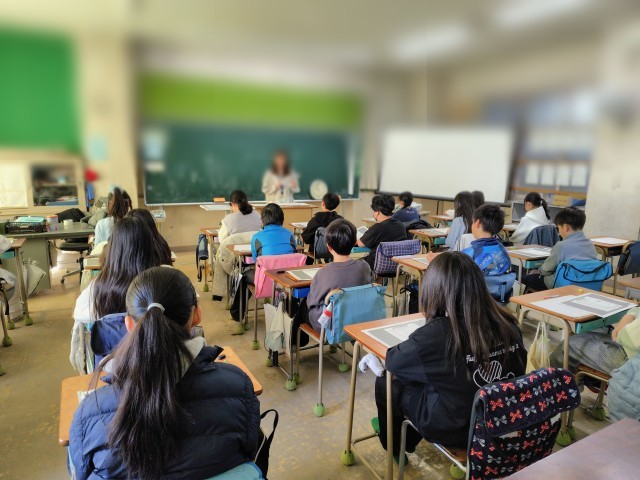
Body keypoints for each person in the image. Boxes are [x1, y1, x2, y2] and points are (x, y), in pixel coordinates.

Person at [69, 267, 260, 479]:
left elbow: (81, 472)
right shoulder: (238, 386)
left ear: (129, 324)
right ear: (197, 315)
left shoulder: (90, 410)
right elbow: (249, 449)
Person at [373, 252, 526, 456]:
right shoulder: (507, 322)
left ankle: (397, 444)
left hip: (457, 430)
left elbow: (394, 361)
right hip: (502, 418)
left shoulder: (438, 333)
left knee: (388, 381)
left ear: (434, 290)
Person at [70, 217, 173, 372]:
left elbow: (80, 317)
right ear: (150, 245)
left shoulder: (98, 286)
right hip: (162, 361)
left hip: (113, 367)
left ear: (113, 249)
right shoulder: (164, 278)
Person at [295, 219, 373, 335]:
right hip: (357, 318)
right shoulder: (364, 266)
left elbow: (312, 302)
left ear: (328, 246)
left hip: (331, 324)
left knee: (304, 304)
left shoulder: (323, 273)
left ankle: (295, 341)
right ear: (354, 243)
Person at [230, 203, 296, 321]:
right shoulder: (290, 234)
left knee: (244, 276)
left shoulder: (257, 237)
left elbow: (257, 260)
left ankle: (237, 315)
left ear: (263, 220)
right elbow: (293, 254)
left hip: (266, 282)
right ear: (282, 218)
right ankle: (291, 311)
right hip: (288, 281)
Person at [522, 206, 597, 291]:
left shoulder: (561, 246)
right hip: (587, 283)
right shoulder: (590, 244)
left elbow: (546, 269)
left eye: (559, 228)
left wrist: (539, 271)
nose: (559, 231)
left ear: (565, 227)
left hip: (563, 284)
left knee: (527, 277)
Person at [552, 306, 640, 376]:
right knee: (581, 336)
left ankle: (556, 387)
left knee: (568, 344)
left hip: (632, 362)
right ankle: (570, 384)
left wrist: (624, 326)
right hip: (630, 347)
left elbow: (624, 336)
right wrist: (631, 314)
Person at [357, 194, 407, 270]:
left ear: (378, 212)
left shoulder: (377, 227)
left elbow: (360, 244)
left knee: (355, 263)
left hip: (376, 265)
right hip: (397, 266)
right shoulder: (400, 225)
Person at [462, 204, 511, 276]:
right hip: (500, 283)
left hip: (477, 283)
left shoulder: (468, 253)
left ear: (477, 223)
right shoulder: (502, 248)